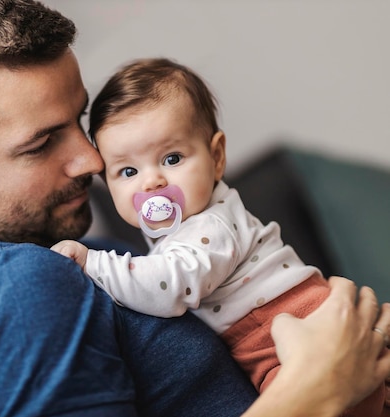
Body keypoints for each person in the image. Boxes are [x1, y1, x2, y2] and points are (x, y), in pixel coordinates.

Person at [0, 1, 390, 416]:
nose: (92, 160)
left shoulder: (56, 254)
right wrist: (315, 391)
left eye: (80, 122)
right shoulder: (18, 286)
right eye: (41, 143)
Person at [51, 58, 387, 416]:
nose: (152, 182)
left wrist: (93, 263)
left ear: (216, 156)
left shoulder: (211, 226)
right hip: (271, 331)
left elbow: (170, 285)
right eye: (128, 170)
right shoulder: (185, 228)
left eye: (172, 158)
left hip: (287, 324)